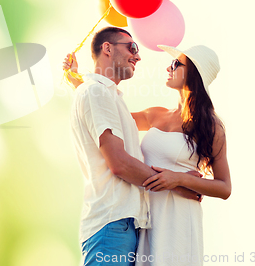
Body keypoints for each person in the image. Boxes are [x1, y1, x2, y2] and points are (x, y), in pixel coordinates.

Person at [67, 27, 201, 266]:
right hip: (111, 226)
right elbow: (119, 163)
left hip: (122, 226)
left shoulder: (104, 95)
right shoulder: (96, 91)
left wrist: (76, 81)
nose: (138, 56)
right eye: (132, 48)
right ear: (107, 48)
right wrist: (177, 184)